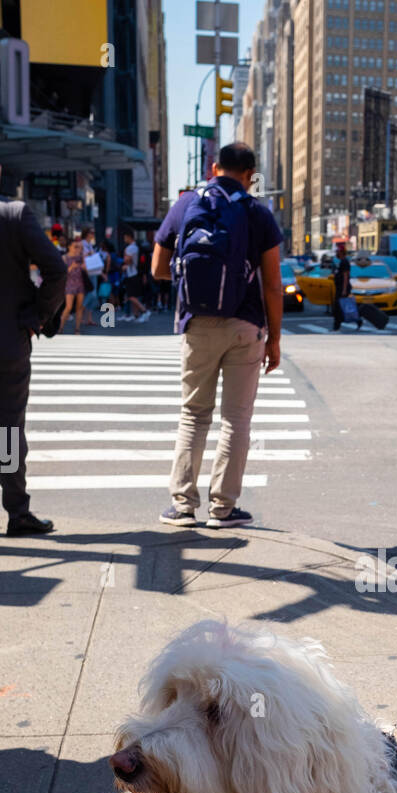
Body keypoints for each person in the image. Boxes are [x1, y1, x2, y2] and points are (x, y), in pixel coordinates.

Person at [152, 140, 283, 528]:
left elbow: (159, 267)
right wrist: (274, 339)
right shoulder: (258, 213)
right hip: (245, 326)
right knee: (236, 419)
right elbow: (273, 285)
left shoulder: (186, 204)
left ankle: (182, 505)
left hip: (196, 323)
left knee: (194, 414)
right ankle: (223, 508)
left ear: (213, 167)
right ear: (250, 175)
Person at [0, 134, 66, 535]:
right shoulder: (12, 213)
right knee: (8, 429)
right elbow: (56, 269)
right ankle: (16, 510)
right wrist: (37, 317)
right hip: (6, 342)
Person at [118, 228, 149, 323]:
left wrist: (123, 263)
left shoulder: (129, 248)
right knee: (133, 295)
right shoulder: (137, 247)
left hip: (131, 274)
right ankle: (135, 315)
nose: (124, 239)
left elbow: (127, 260)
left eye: (124, 237)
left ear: (128, 237)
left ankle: (144, 311)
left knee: (131, 296)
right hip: (137, 273)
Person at [59, 236, 87, 334]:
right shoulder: (64, 257)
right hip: (69, 284)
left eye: (78, 247)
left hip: (80, 283)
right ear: (69, 247)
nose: (77, 249)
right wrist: (71, 267)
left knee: (79, 308)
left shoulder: (81, 257)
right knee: (69, 307)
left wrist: (84, 267)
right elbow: (62, 273)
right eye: (75, 247)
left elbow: (88, 270)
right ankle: (60, 327)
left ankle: (77, 329)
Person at [331, 242, 360, 330]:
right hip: (340, 288)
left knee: (338, 307)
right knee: (340, 308)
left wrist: (344, 290)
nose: (336, 253)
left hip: (342, 289)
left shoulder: (345, 262)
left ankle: (337, 325)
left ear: (341, 252)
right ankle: (339, 324)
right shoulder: (341, 262)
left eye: (337, 252)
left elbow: (346, 276)